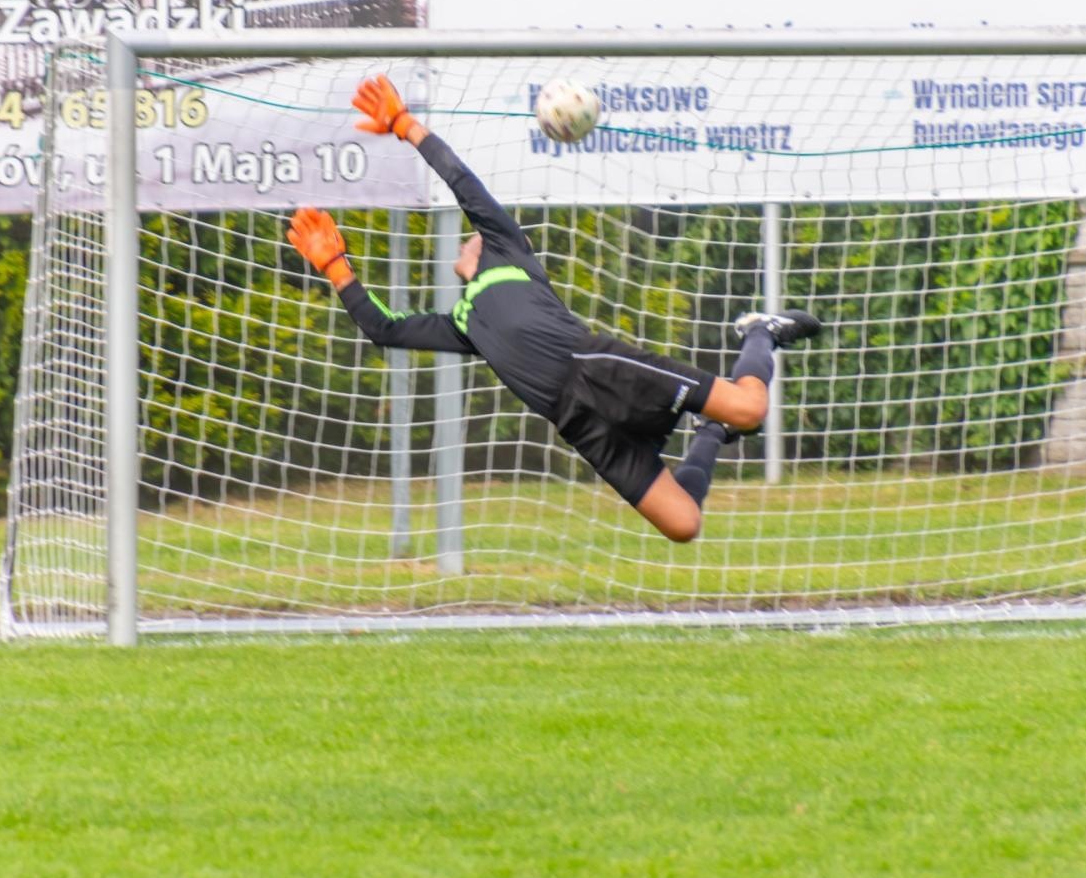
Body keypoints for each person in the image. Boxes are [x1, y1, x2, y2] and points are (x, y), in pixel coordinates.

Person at [287, 75, 819, 542]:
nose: (463, 242)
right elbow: (384, 328)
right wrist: (337, 267)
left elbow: (463, 183)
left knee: (750, 409)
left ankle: (759, 332)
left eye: (468, 236)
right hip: (577, 422)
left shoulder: (507, 250)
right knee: (683, 523)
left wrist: (406, 125)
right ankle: (710, 432)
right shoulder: (465, 324)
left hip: (599, 370)